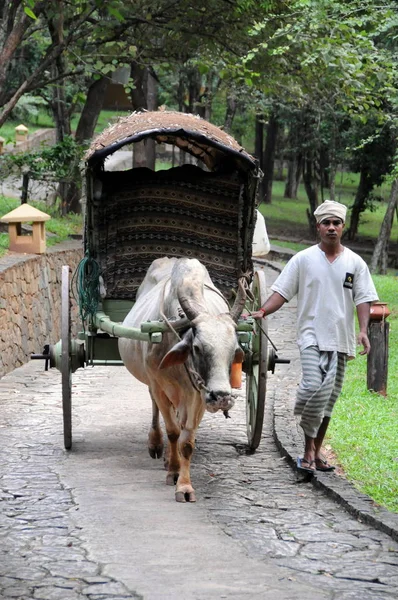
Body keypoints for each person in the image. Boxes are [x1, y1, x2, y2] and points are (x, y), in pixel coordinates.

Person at [252, 200, 379, 474]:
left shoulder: (355, 263)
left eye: (336, 223)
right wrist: (263, 310)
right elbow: (282, 292)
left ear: (342, 227)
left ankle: (313, 452)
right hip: (310, 336)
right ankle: (309, 448)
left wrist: (363, 331)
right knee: (312, 388)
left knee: (329, 399)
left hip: (341, 340)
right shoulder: (303, 259)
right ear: (318, 227)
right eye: (326, 223)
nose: (331, 228)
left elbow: (364, 299)